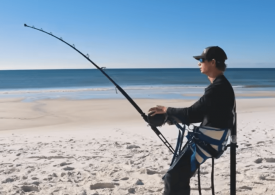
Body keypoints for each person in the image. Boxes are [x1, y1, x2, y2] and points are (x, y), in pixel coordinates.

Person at [148, 46, 236, 195]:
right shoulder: (222, 85)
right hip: (214, 139)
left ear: (212, 62)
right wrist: (171, 118)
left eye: (201, 60)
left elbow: (191, 114)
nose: (198, 63)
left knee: (172, 177)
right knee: (178, 175)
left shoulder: (217, 88)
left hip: (208, 142)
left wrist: (166, 110)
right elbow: (199, 114)